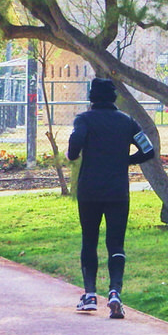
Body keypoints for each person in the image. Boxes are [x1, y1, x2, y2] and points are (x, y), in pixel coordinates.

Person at [66, 77, 157, 319]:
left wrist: (73, 153)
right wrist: (125, 160)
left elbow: (75, 144)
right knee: (115, 243)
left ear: (91, 98)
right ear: (114, 98)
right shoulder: (127, 122)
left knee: (89, 240)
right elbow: (148, 150)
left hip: (89, 190)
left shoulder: (84, 119)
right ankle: (115, 292)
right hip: (118, 191)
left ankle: (90, 295)